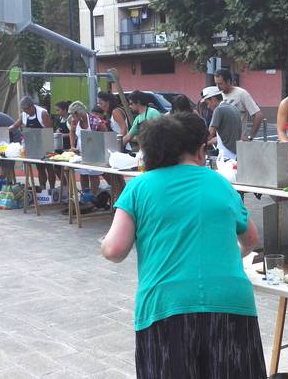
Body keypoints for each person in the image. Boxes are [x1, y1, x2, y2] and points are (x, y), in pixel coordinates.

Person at [100, 112, 266, 378]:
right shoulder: (220, 183)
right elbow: (251, 240)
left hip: (166, 306)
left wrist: (103, 243)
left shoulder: (139, 187)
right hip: (230, 303)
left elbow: (114, 250)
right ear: (200, 151)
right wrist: (232, 255)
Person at [11, 96, 56, 191]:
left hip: (46, 143)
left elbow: (49, 131)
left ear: (31, 106)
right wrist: (5, 130)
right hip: (34, 145)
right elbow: (14, 126)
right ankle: (43, 188)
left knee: (49, 167)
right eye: (23, 109)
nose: (25, 111)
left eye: (26, 109)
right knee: (40, 168)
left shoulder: (42, 113)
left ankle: (52, 189)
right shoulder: (23, 114)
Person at [214, 69, 264, 141]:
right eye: (216, 84)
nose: (218, 87)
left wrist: (250, 137)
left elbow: (258, 115)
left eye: (220, 84)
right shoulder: (218, 95)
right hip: (223, 143)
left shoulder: (241, 94)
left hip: (237, 142)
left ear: (228, 81)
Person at [67, 101, 102, 196]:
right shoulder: (75, 121)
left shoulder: (95, 120)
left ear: (78, 113)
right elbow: (72, 132)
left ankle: (94, 195)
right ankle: (85, 195)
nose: (73, 118)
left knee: (93, 175)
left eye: (73, 115)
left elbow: (104, 134)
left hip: (95, 153)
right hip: (81, 152)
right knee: (83, 174)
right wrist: (72, 145)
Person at [202, 86, 242, 160]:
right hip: (236, 151)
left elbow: (210, 134)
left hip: (227, 153)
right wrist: (207, 143)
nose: (208, 106)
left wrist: (199, 144)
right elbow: (222, 136)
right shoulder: (232, 107)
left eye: (208, 103)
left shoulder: (219, 110)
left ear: (213, 100)